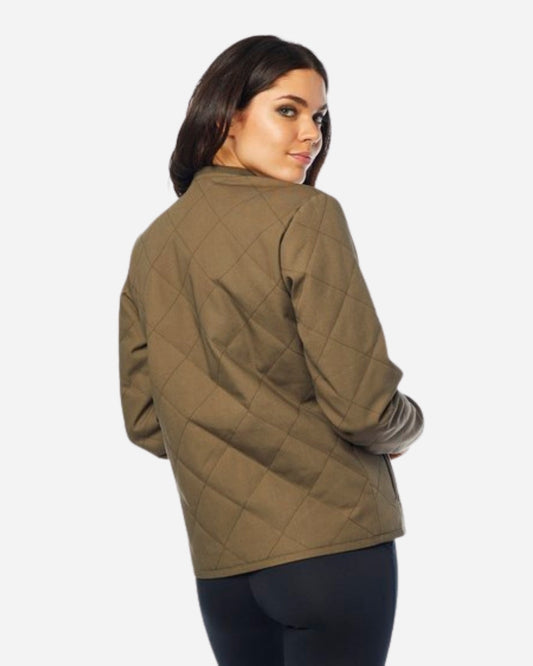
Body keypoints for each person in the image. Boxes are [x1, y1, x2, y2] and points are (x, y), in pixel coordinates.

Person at [118, 34, 424, 666]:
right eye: (288, 110)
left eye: (319, 117)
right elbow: (363, 407)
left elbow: (147, 421)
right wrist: (409, 424)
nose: (310, 133)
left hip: (223, 572)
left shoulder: (152, 245)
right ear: (227, 116)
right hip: (332, 549)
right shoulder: (305, 216)